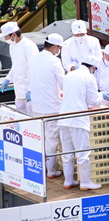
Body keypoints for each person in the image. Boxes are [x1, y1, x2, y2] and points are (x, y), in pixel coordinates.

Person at [57, 55, 109, 190]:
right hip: (78, 119)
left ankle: (68, 181)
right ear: (92, 68)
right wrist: (102, 95)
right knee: (83, 152)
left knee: (67, 152)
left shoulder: (69, 75)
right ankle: (85, 182)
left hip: (63, 117)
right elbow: (93, 101)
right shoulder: (89, 78)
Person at [27, 33, 65, 180]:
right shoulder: (54, 62)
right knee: (52, 139)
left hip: (36, 106)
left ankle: (40, 168)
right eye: (59, 48)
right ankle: (51, 170)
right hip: (51, 107)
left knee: (40, 138)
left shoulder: (34, 58)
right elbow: (63, 84)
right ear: (55, 47)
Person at [0, 21, 38, 114]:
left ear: (13, 35)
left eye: (6, 37)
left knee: (32, 117)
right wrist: (8, 79)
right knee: (21, 116)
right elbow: (15, 65)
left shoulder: (29, 46)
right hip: (19, 89)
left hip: (30, 88)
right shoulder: (12, 46)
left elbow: (35, 68)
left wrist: (31, 88)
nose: (5, 39)